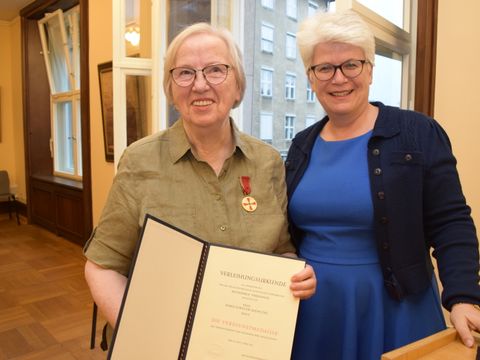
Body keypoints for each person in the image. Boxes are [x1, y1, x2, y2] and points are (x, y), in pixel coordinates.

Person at [83, 22, 316, 347]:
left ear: (238, 87)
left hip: (247, 347)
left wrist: (295, 276)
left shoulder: (268, 163)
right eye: (185, 73)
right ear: (171, 89)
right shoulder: (139, 162)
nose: (200, 84)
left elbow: (280, 250)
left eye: (216, 70)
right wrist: (144, 335)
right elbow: (102, 267)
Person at [286, 10, 480, 360]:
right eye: (324, 68)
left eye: (351, 65)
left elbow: (451, 222)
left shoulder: (417, 133)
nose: (338, 78)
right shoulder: (301, 144)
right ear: (311, 78)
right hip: (314, 311)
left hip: (396, 307)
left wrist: (463, 297)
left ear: (370, 69)